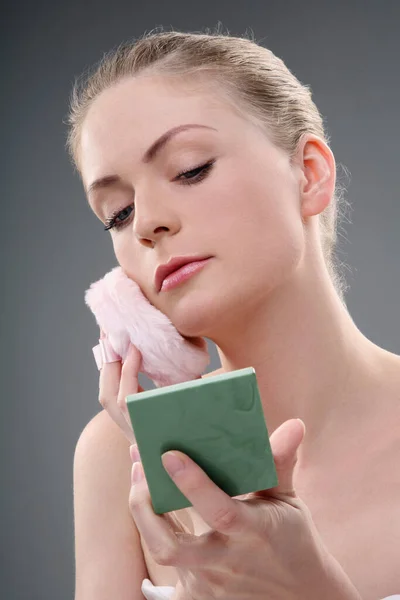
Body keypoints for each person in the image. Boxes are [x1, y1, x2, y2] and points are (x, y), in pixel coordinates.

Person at [68, 29, 400, 600]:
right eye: (117, 213)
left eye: (190, 169)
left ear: (310, 174)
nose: (146, 222)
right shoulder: (114, 457)